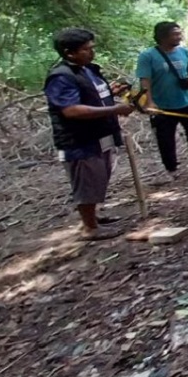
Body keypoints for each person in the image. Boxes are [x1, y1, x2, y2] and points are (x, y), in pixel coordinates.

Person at [44, 28, 134, 240]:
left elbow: (89, 93)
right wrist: (115, 109)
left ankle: (93, 216)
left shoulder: (87, 69)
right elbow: (71, 110)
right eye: (86, 49)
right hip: (79, 140)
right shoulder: (61, 77)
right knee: (86, 181)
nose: (91, 53)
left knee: (98, 177)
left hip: (101, 134)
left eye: (92, 48)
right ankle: (89, 227)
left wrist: (110, 92)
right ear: (69, 53)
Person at [136, 21, 188, 182]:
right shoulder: (148, 56)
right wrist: (149, 102)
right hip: (162, 106)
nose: (179, 36)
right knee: (165, 139)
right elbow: (145, 80)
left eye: (179, 33)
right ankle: (171, 169)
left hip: (186, 102)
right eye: (174, 34)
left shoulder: (185, 52)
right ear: (162, 36)